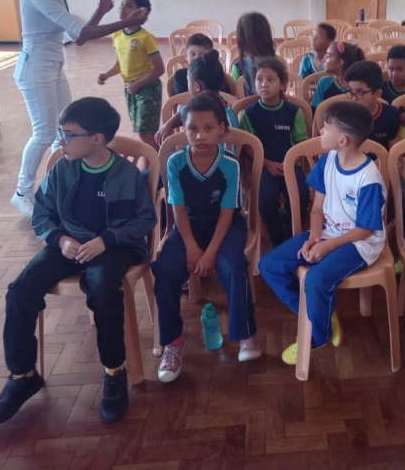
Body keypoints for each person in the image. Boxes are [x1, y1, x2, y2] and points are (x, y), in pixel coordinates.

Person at [0, 98, 157, 425]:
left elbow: (143, 219)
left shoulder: (126, 174)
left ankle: (114, 371)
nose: (60, 141)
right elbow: (41, 214)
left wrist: (105, 240)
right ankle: (22, 375)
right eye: (60, 133)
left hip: (114, 246)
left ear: (97, 139)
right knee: (20, 290)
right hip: (69, 244)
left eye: (68, 134)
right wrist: (60, 239)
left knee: (102, 288)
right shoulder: (62, 169)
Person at [11, 0, 148, 218]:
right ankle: (22, 192)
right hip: (35, 68)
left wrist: (100, 12)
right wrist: (125, 23)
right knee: (44, 133)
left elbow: (79, 37)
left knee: (63, 130)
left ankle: (56, 186)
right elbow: (83, 33)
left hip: (53, 67)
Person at [259, 102, 386, 365]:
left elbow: (366, 228)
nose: (319, 131)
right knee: (269, 265)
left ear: (343, 140)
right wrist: (314, 238)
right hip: (328, 232)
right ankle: (319, 315)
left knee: (315, 280)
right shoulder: (328, 160)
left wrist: (327, 246)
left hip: (359, 242)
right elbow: (317, 208)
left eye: (326, 128)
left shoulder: (369, 177)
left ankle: (318, 336)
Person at [152, 94, 260, 384]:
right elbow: (178, 209)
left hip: (226, 225)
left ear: (221, 129)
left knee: (233, 265)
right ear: (183, 130)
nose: (200, 136)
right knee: (165, 269)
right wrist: (190, 246)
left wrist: (210, 252)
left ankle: (246, 333)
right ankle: (173, 341)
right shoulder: (176, 162)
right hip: (189, 225)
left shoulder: (229, 164)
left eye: (208, 128)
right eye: (193, 129)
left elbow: (227, 212)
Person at [238, 57, 309, 247]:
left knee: (301, 195)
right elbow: (247, 148)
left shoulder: (293, 111)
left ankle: (291, 235)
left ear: (282, 84)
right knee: (265, 198)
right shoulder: (250, 114)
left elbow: (301, 143)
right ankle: (277, 239)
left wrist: (289, 163)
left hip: (289, 165)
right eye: (259, 79)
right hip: (263, 167)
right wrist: (267, 164)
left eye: (270, 80)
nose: (264, 84)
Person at [97, 0, 165, 151]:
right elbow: (121, 63)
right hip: (130, 88)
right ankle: (151, 159)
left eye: (128, 5)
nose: (122, 8)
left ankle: (161, 158)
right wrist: (107, 74)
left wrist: (137, 84)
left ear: (141, 12)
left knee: (144, 132)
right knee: (142, 130)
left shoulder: (145, 38)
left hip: (148, 88)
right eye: (122, 4)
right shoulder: (117, 35)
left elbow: (159, 69)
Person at [155, 50, 238, 146]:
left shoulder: (201, 112)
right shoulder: (225, 107)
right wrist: (169, 124)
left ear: (197, 86)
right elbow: (183, 112)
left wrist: (167, 126)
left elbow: (187, 113)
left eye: (188, 81)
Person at [344, 61, 402, 150]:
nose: (354, 98)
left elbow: (394, 150)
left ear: (377, 93)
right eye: (351, 92)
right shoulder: (344, 116)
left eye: (360, 92)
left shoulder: (392, 115)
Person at [310, 42, 365, 111]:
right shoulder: (324, 83)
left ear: (340, 62)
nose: (323, 59)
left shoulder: (359, 87)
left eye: (328, 56)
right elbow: (315, 111)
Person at [230, 12, 275, 96]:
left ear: (241, 40)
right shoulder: (279, 64)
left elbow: (235, 97)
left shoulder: (237, 66)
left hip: (245, 104)